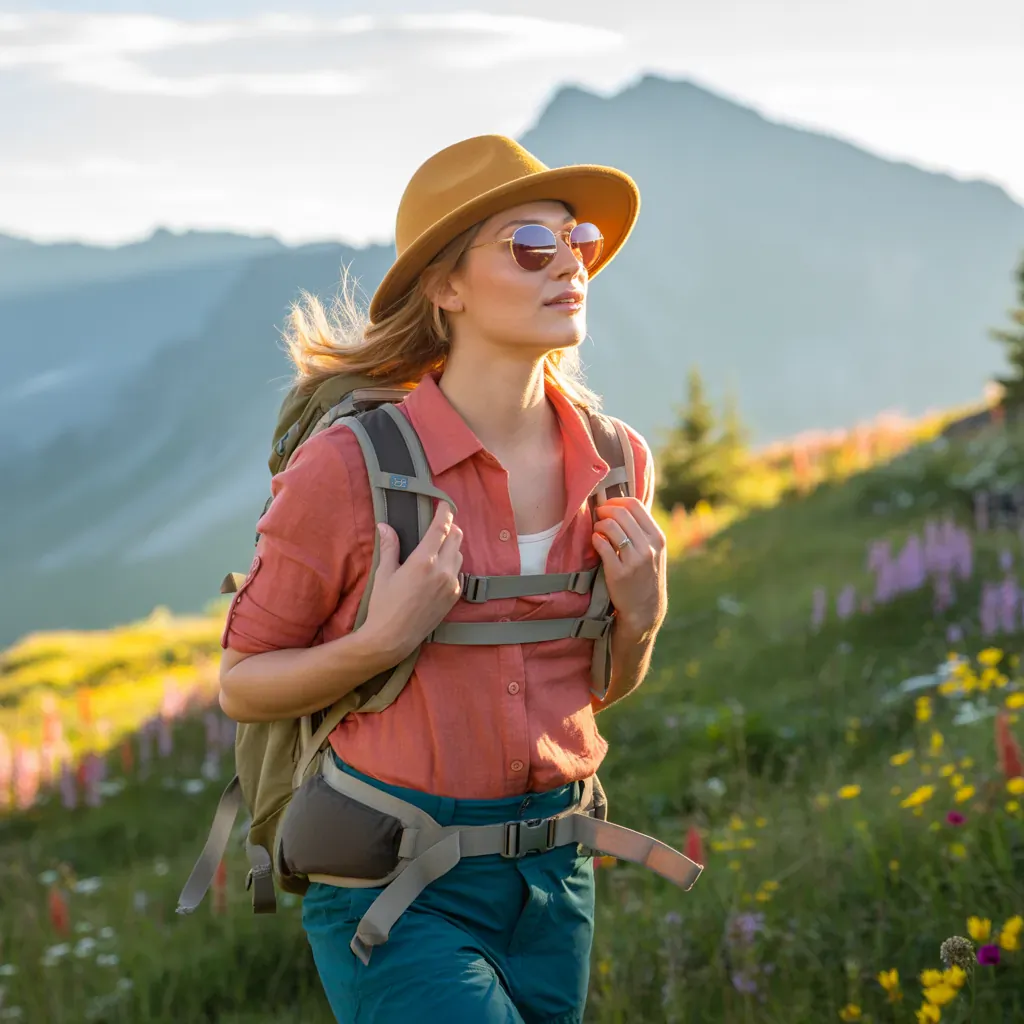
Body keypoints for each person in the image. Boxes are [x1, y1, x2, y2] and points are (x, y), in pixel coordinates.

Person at [217, 134, 669, 1024]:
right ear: (447, 287)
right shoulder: (349, 468)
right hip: (394, 888)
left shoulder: (618, 463)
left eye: (575, 241)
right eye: (528, 247)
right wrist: (380, 640)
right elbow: (241, 683)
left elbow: (592, 692)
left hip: (555, 883)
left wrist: (642, 617)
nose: (568, 264)